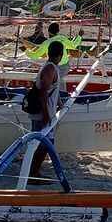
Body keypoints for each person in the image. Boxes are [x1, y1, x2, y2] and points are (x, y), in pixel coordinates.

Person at [28, 40, 64, 179]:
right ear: (60, 55)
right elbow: (43, 93)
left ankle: (34, 172)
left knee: (45, 144)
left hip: (46, 112)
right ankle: (33, 173)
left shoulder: (51, 68)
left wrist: (60, 103)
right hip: (42, 113)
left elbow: (52, 90)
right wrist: (45, 115)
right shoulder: (50, 69)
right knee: (43, 145)